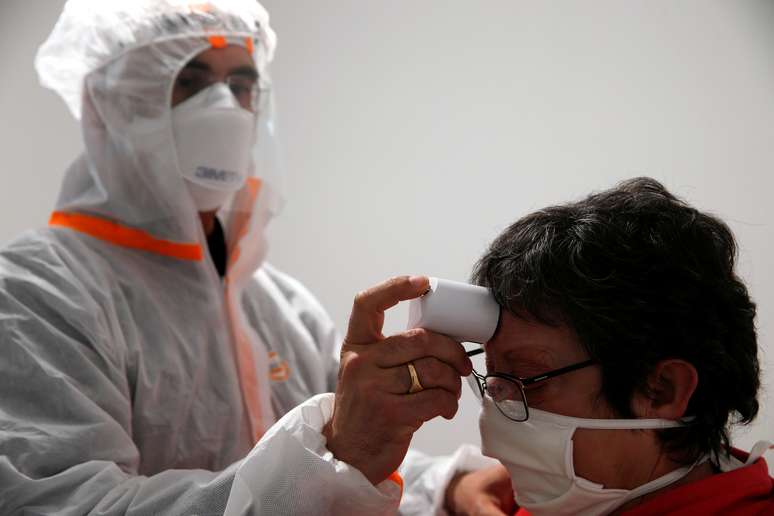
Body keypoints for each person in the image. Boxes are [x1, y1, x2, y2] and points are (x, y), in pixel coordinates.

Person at [0, 1, 501, 514]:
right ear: (105, 105)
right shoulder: (37, 292)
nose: (223, 108)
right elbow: (66, 504)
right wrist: (332, 459)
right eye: (190, 82)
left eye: (240, 85)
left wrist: (448, 487)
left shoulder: (278, 304)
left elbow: (342, 457)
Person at [440, 177, 773, 514]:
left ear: (661, 390)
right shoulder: (540, 499)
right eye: (495, 379)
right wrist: (453, 487)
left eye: (529, 379)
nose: (493, 423)